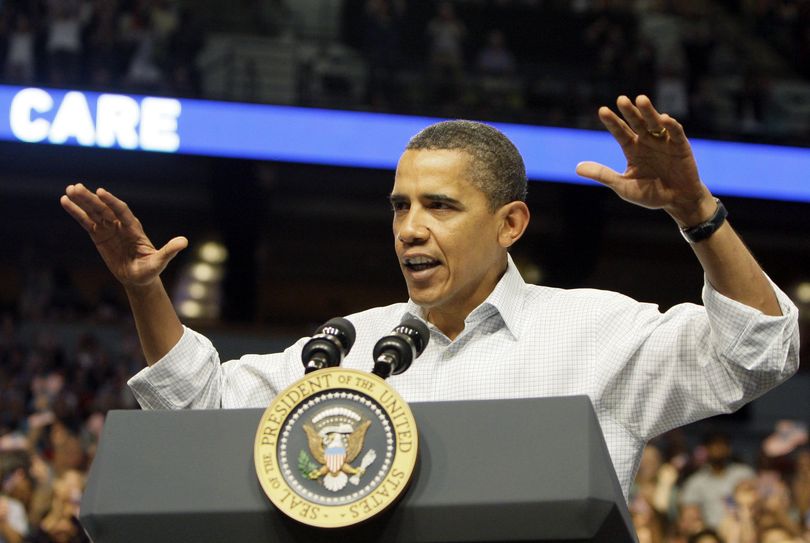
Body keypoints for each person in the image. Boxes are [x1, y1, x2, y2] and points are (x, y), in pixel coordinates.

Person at [59, 95, 800, 498]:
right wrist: (147, 290)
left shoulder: (595, 329)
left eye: (440, 207)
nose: (410, 229)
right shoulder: (344, 346)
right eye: (399, 206)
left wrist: (696, 213)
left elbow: (757, 353)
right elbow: (200, 408)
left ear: (510, 223)